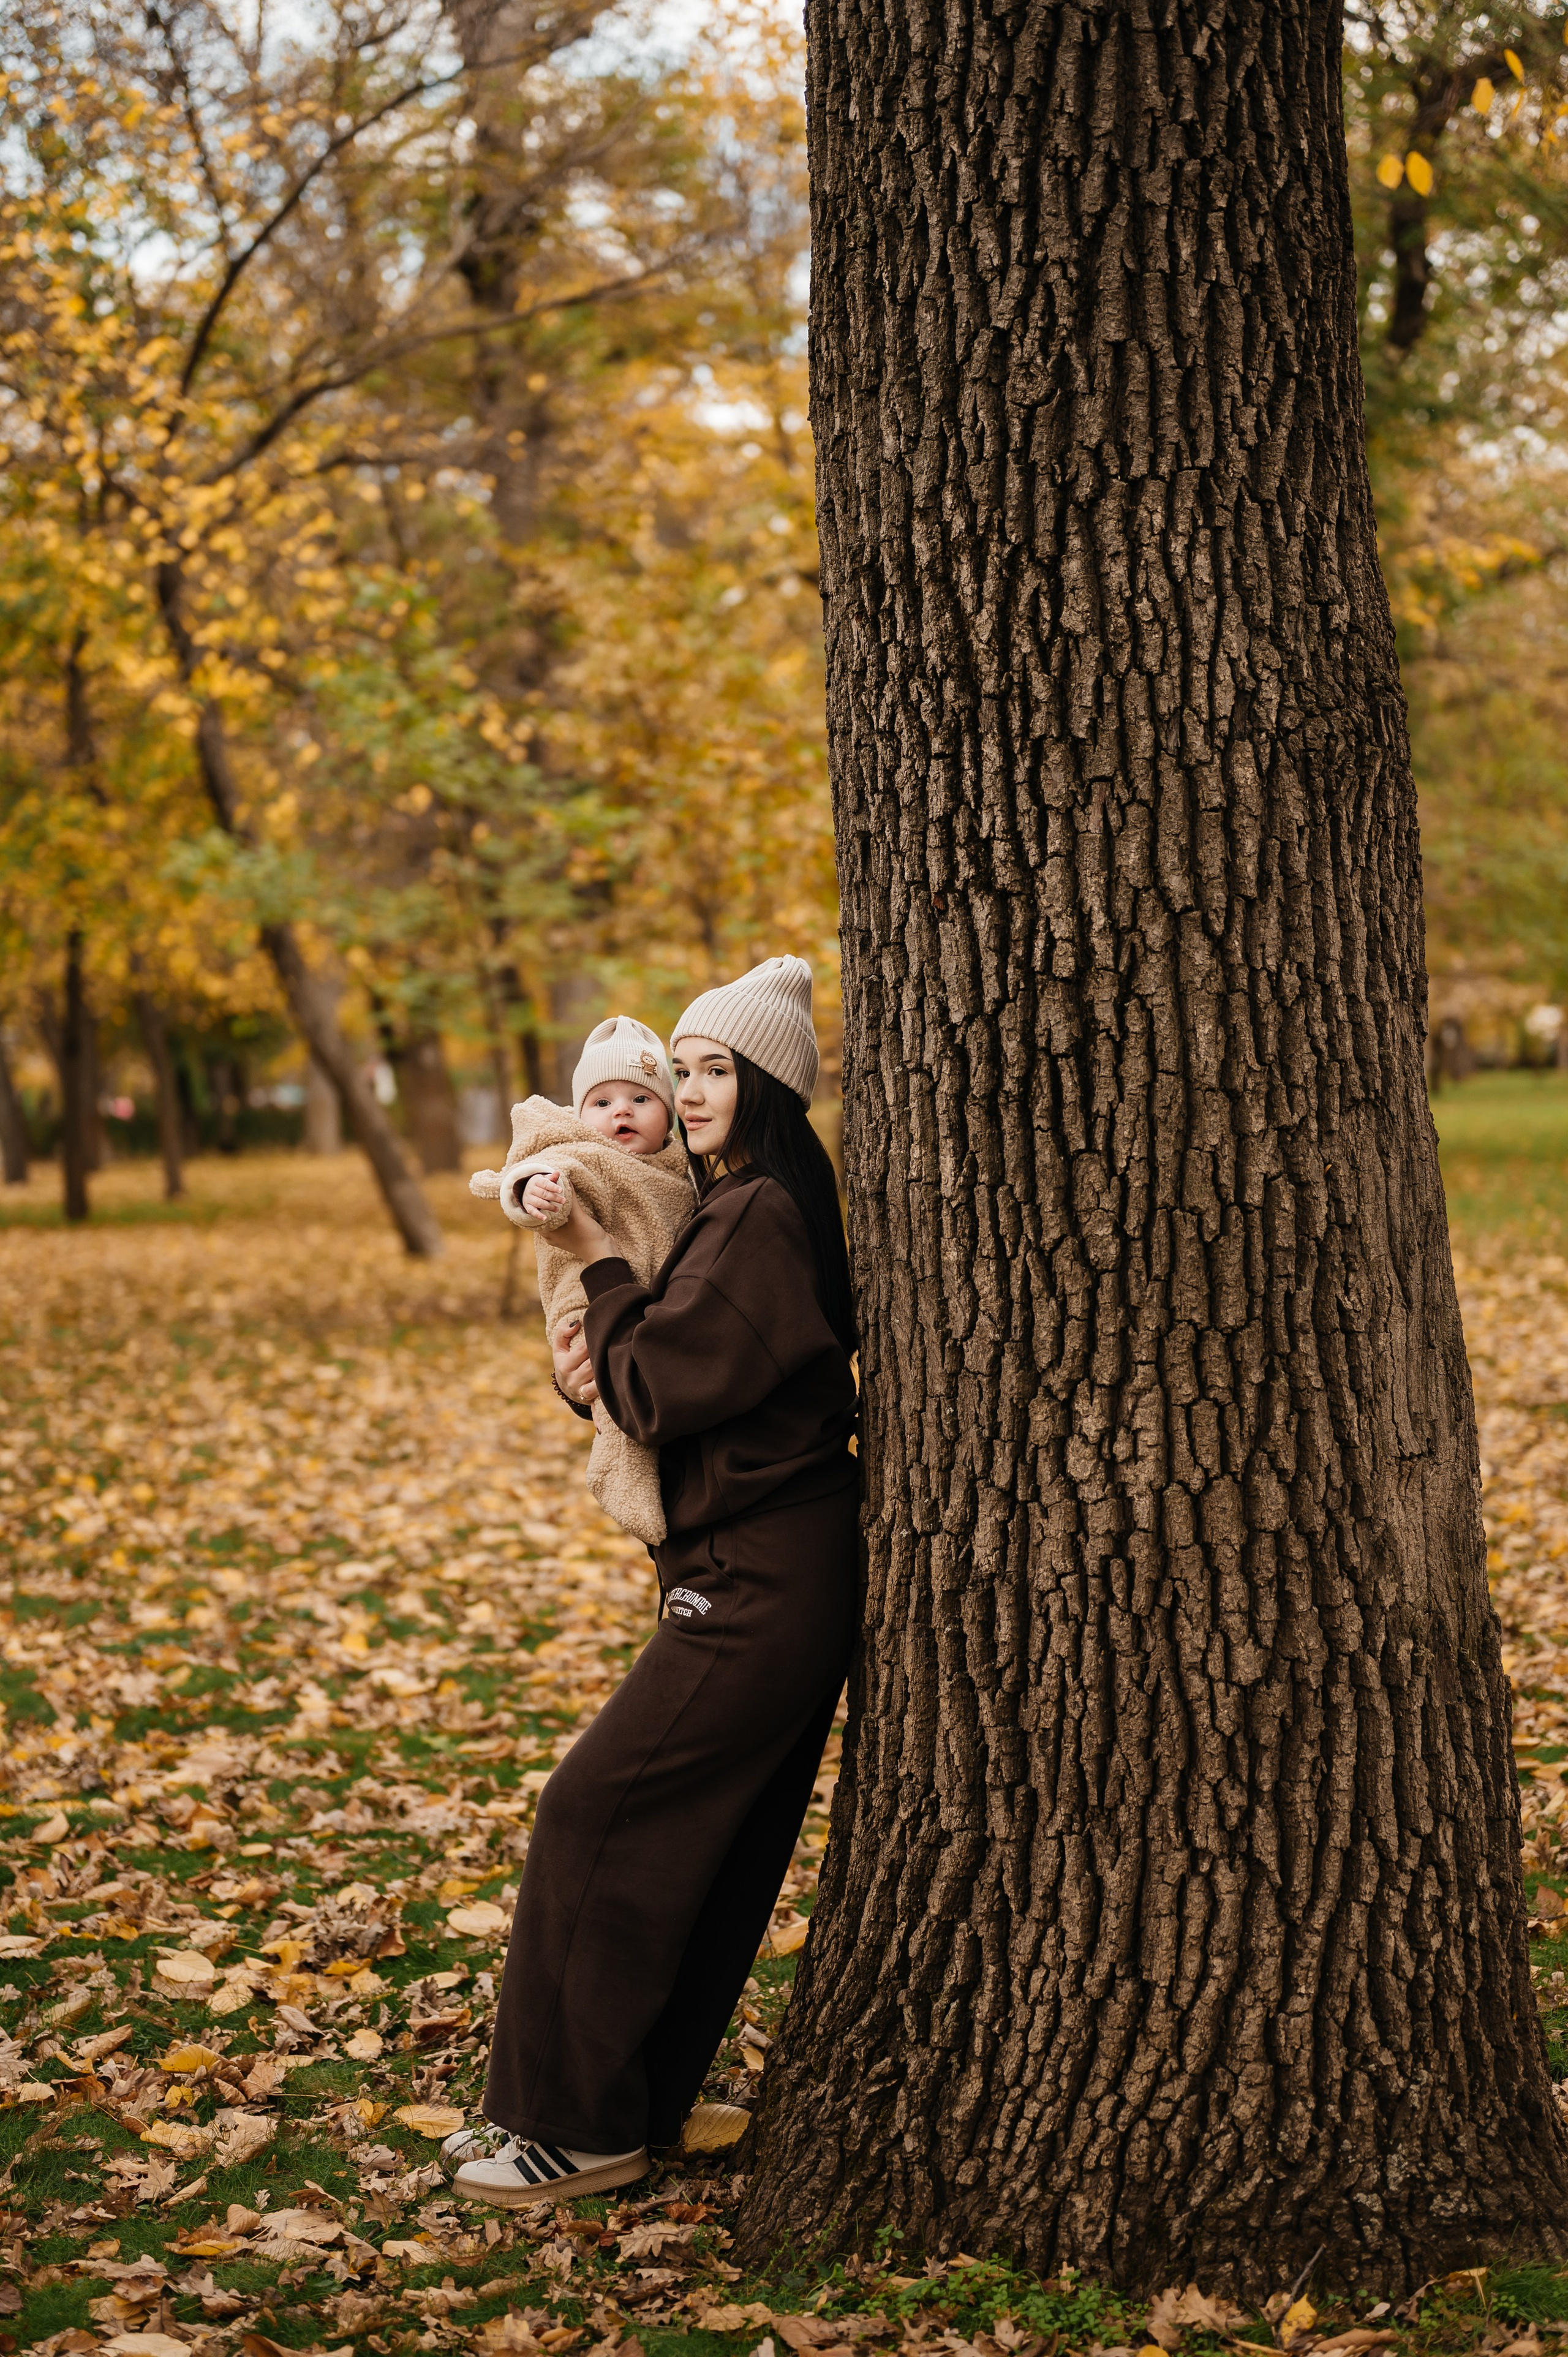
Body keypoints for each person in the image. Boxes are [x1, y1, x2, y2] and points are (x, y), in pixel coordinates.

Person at [447, 956, 859, 2206]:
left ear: (772, 1083)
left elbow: (655, 1384)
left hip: (756, 1576)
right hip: (765, 1564)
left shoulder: (758, 1217)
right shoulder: (736, 1209)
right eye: (678, 1068)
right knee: (711, 1848)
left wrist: (585, 1254)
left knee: (594, 1814)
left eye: (713, 1069)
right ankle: (633, 2106)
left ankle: (571, 2128)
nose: (684, 1091)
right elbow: (640, 1372)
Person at [468, 1017, 694, 1544]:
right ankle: (618, 1469)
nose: (621, 1112)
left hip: (648, 1310)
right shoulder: (585, 1156)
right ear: (579, 1114)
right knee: (607, 1382)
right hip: (585, 1300)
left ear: (669, 1112)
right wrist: (536, 1196)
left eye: (641, 1099)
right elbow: (547, 1176)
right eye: (603, 1102)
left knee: (631, 1382)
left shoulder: (680, 1168)